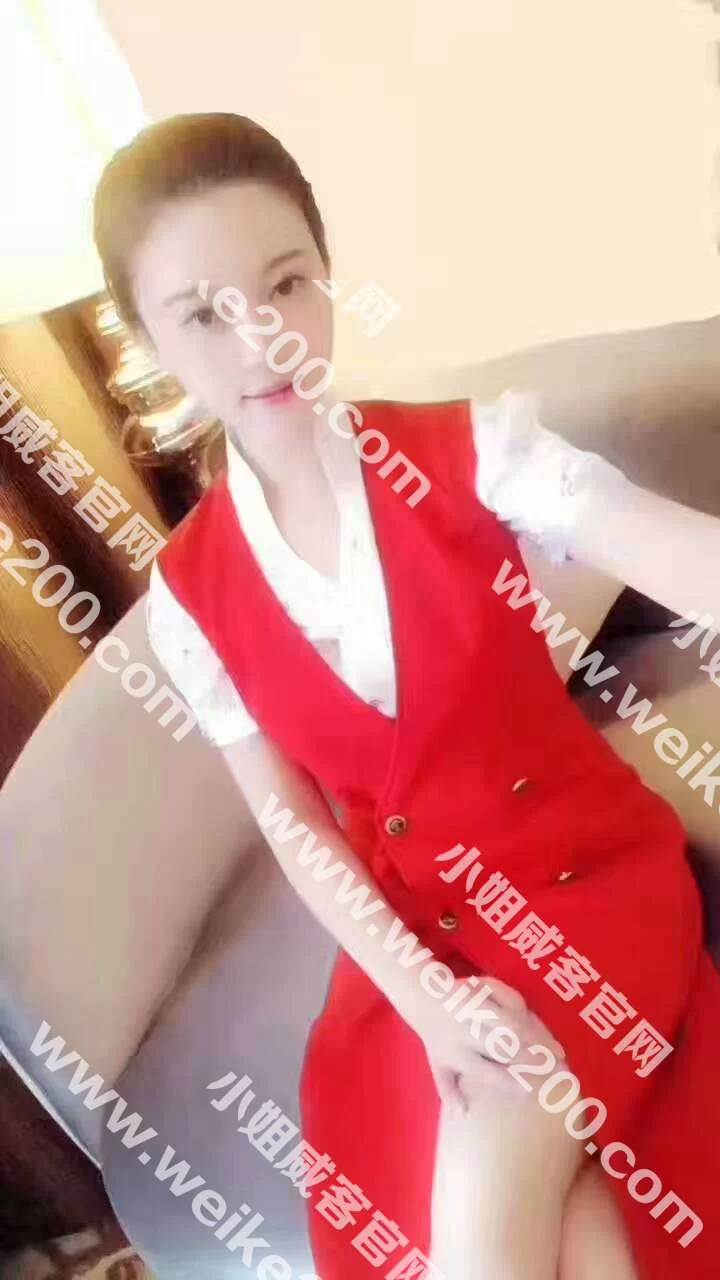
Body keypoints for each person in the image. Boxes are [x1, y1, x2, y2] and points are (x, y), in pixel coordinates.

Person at [92, 112, 720, 1280]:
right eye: (204, 314)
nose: (262, 339)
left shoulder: (477, 452)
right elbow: (294, 824)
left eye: (286, 284)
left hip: (581, 887)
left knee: (492, 1168)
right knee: (586, 1239)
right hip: (410, 949)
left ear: (328, 277)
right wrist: (427, 1001)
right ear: (147, 341)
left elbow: (668, 547)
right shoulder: (190, 595)